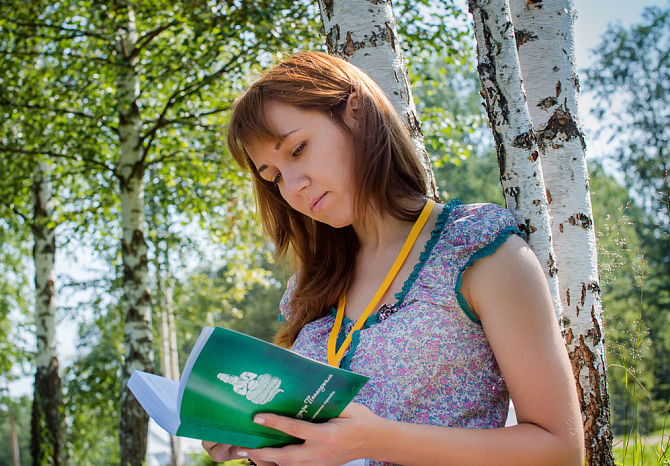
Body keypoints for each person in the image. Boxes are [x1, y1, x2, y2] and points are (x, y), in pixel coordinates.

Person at [202, 52, 584, 466]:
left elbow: (559, 450)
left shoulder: (476, 247)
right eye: (272, 176)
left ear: (357, 113)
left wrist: (376, 441)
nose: (292, 187)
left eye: (297, 150)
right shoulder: (307, 290)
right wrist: (268, 444)